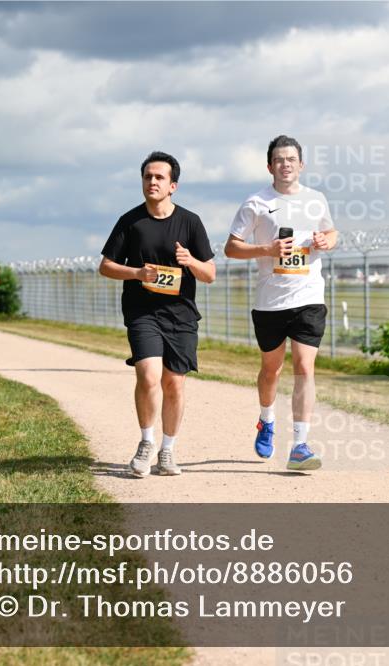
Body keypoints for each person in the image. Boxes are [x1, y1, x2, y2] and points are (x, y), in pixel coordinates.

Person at [224, 135, 338, 471]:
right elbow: (231, 248)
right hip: (270, 301)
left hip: (309, 297)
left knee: (305, 367)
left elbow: (331, 233)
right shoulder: (256, 203)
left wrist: (325, 241)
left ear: (301, 165)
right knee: (271, 370)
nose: (285, 164)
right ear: (270, 165)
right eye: (279, 159)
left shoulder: (317, 200)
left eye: (291, 159)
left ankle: (300, 444)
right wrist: (267, 250)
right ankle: (266, 420)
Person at [98, 151, 215, 478]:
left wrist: (190, 261)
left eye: (159, 177)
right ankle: (146, 443)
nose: (152, 182)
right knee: (148, 376)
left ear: (173, 185)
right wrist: (137, 274)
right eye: (147, 177)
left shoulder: (190, 222)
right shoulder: (130, 221)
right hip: (142, 312)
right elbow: (105, 266)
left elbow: (210, 274)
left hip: (181, 316)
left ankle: (167, 450)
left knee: (173, 383)